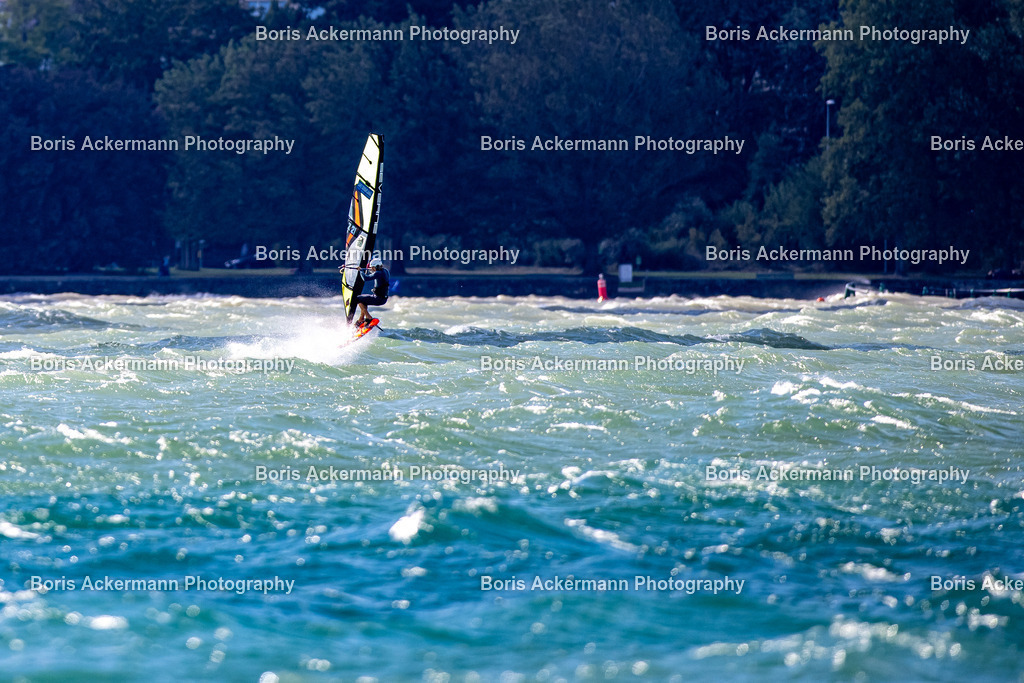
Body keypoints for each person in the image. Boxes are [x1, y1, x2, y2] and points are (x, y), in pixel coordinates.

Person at [354, 257, 390, 327]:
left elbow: (365, 278)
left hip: (378, 299)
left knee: (357, 298)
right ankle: (361, 319)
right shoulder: (385, 271)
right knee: (363, 300)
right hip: (383, 298)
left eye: (372, 268)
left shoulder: (378, 273)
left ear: (375, 267)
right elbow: (374, 273)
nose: (372, 269)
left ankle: (368, 317)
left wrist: (361, 271)